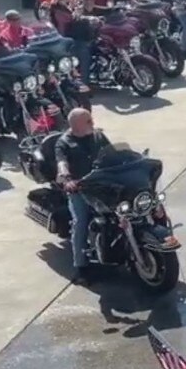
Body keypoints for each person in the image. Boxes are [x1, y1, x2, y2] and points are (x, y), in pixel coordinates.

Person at [54, 108, 113, 285]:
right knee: (80, 221)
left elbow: (114, 153)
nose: (92, 122)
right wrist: (67, 179)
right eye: (88, 121)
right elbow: (62, 163)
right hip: (79, 188)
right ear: (77, 125)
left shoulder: (98, 136)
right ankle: (81, 267)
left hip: (102, 183)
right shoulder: (63, 143)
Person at [48, 0, 96, 81]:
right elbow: (63, 29)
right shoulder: (57, 12)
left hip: (72, 37)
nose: (67, 0)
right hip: (67, 40)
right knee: (84, 53)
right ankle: (84, 81)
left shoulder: (63, 9)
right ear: (59, 1)